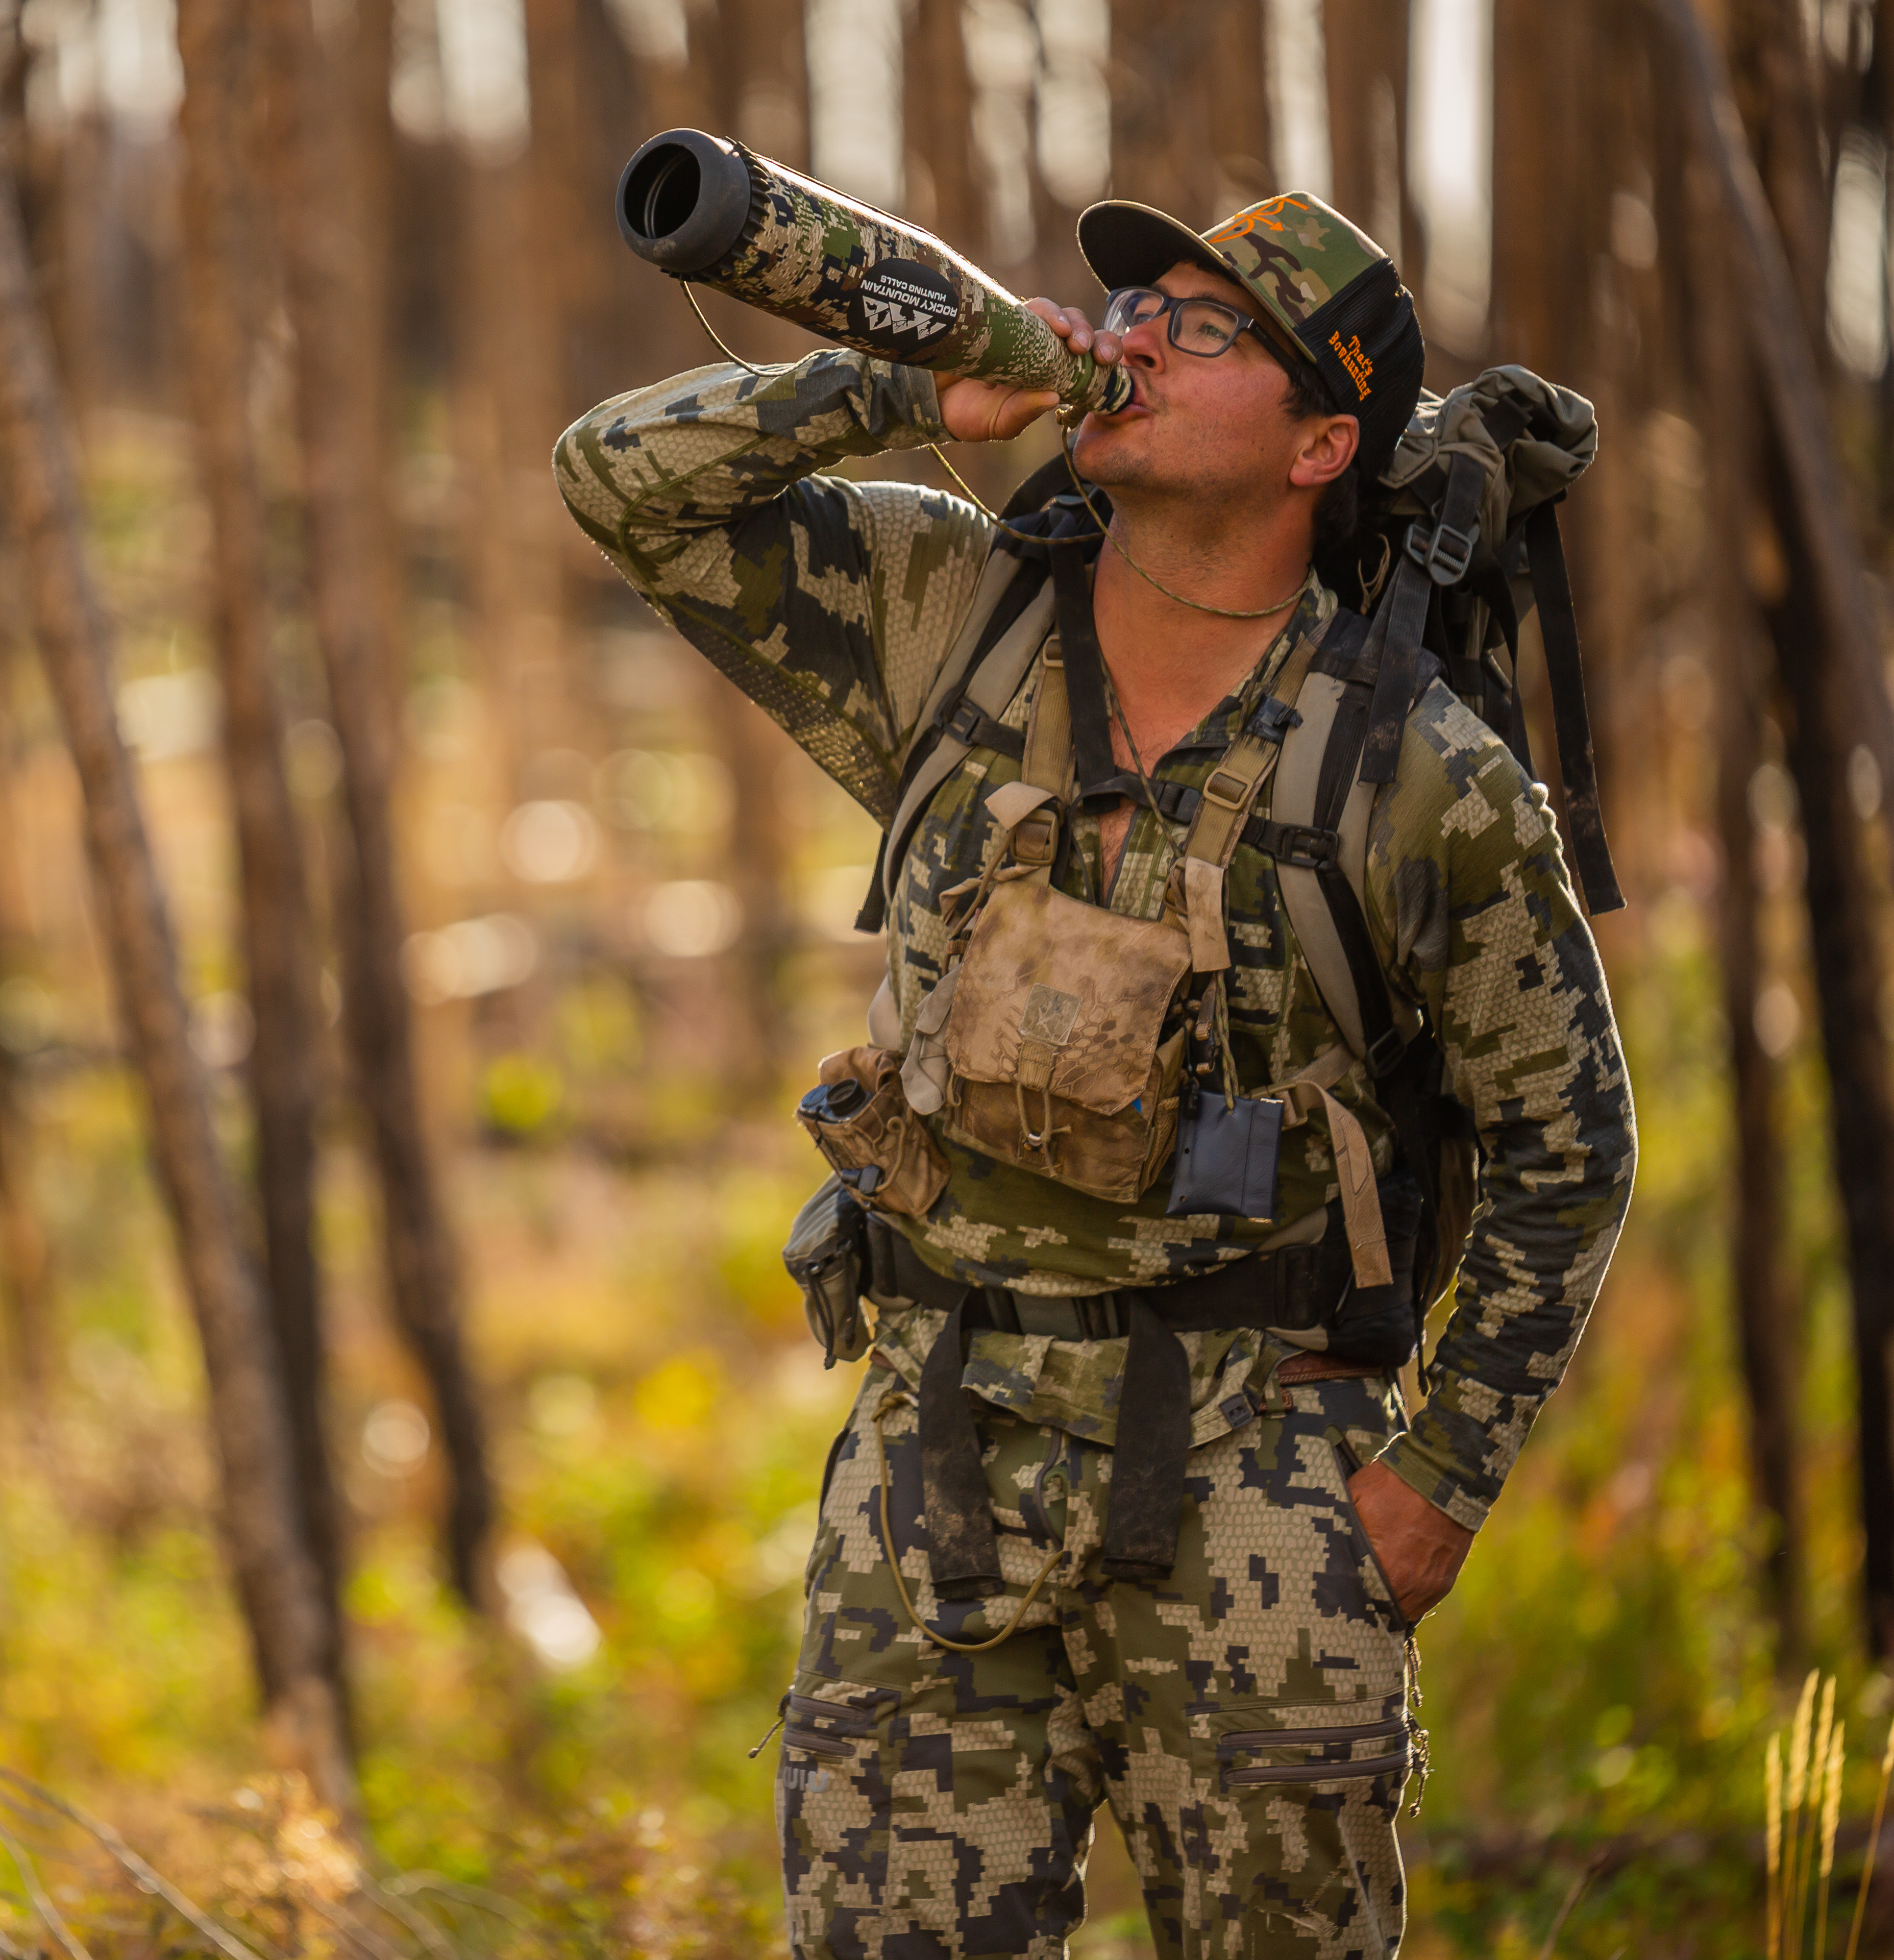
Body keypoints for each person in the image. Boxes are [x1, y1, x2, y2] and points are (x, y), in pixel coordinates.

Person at [554, 191, 1634, 1958]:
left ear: (1322, 443)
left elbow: (1567, 1145)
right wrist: (908, 392)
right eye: (1136, 300)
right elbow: (616, 477)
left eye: (1206, 328)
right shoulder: (944, 614)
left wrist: (1438, 1476)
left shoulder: (1412, 770)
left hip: (1259, 1478)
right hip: (937, 1455)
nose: (1130, 333)